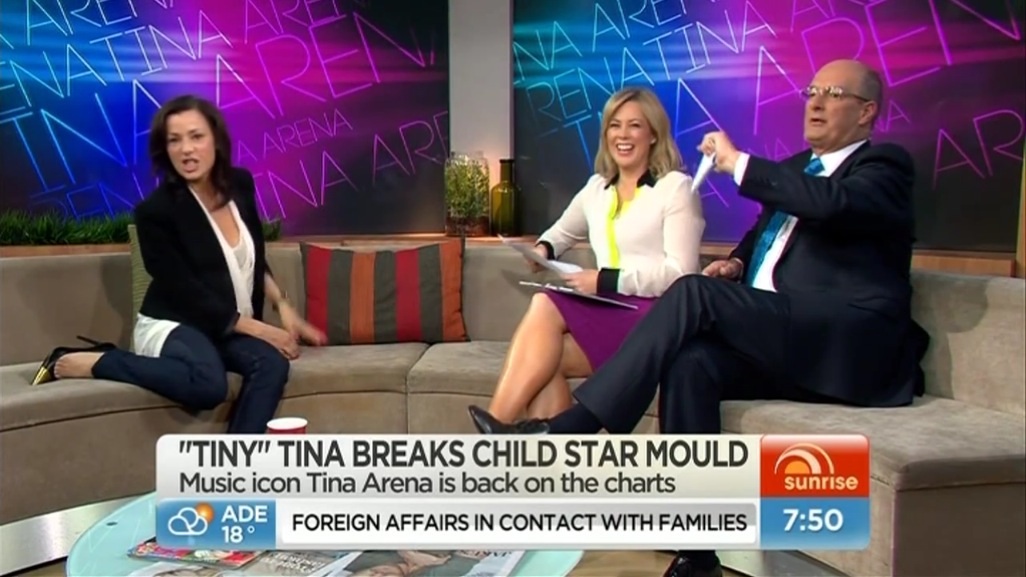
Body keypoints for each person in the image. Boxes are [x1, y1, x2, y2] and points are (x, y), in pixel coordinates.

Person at [469, 59, 931, 577]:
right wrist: (736, 263)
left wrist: (739, 163)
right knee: (691, 363)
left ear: (866, 112)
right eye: (812, 92)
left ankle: (570, 431)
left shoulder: (884, 166)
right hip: (788, 336)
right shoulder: (798, 168)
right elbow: (766, 236)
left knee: (690, 291)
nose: (816, 103)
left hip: (845, 344)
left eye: (833, 94)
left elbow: (832, 204)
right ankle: (697, 550)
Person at [31, 95, 327, 434]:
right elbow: (185, 293)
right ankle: (103, 360)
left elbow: (251, 257)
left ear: (216, 139)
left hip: (224, 325)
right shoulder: (155, 213)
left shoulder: (240, 184)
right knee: (208, 384)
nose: (186, 149)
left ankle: (236, 462)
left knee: (272, 365)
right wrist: (261, 329)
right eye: (175, 140)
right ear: (165, 149)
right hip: (174, 321)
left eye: (196, 136)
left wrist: (282, 305)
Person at [467, 86, 705, 431]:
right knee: (544, 362)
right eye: (614, 125)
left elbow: (681, 275)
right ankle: (537, 451)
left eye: (634, 126)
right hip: (609, 309)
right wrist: (543, 250)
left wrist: (606, 279)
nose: (623, 135)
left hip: (656, 319)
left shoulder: (676, 188)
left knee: (545, 310)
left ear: (653, 134)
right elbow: (562, 231)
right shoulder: (597, 188)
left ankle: (494, 431)